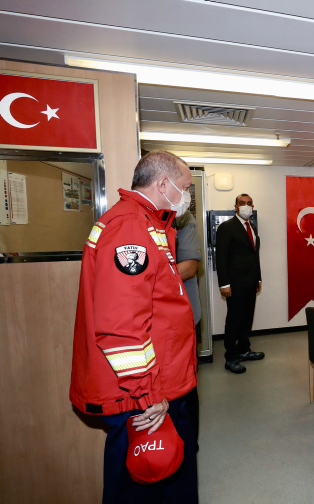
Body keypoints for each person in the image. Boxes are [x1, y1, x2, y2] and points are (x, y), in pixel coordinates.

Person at [70, 150, 198, 503]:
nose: (187, 195)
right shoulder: (130, 227)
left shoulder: (149, 223)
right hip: (142, 394)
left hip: (160, 383)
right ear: (164, 184)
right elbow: (121, 325)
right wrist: (147, 395)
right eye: (186, 187)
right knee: (141, 488)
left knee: (170, 479)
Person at [215, 193, 264, 374]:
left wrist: (258, 278)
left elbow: (254, 255)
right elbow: (221, 258)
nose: (246, 206)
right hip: (234, 284)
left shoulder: (252, 227)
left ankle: (244, 350)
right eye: (242, 203)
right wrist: (224, 284)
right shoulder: (227, 227)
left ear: (253, 206)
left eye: (249, 203)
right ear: (235, 207)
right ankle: (231, 357)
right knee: (234, 321)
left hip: (251, 282)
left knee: (247, 318)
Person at [174, 210, 202, 445]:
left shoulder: (183, 219)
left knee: (185, 388)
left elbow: (190, 267)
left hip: (182, 319)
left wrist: (146, 279)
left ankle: (188, 443)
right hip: (158, 325)